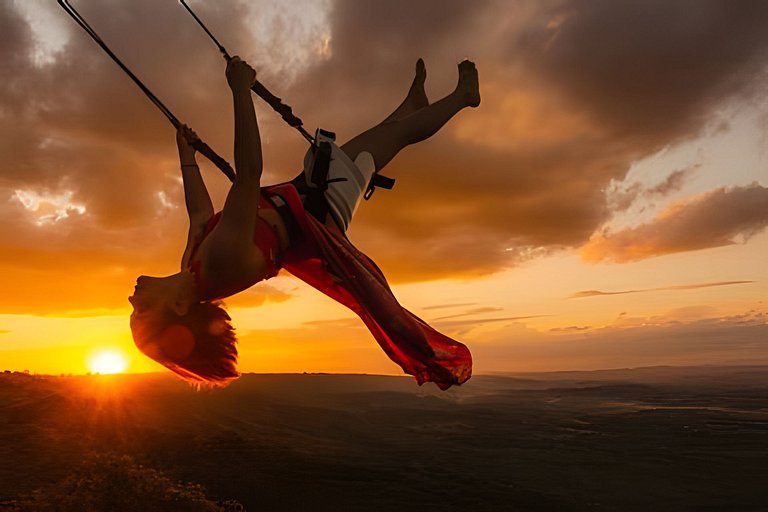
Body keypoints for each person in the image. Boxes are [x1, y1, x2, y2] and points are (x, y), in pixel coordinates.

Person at [129, 56, 480, 389]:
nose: (131, 300)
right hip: (320, 205)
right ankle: (463, 98)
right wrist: (240, 89)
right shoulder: (220, 264)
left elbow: (200, 216)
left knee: (374, 145)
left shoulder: (192, 269)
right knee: (389, 140)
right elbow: (248, 174)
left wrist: (186, 154)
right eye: (142, 310)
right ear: (178, 308)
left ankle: (414, 105)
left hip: (301, 199)